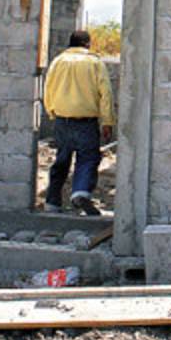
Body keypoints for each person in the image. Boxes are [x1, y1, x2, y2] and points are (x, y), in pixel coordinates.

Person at [42, 30, 115, 216]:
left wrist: (51, 111)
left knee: (61, 160)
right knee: (88, 158)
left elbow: (48, 88)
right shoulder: (95, 63)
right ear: (88, 44)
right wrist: (107, 122)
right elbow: (105, 93)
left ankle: (52, 202)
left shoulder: (58, 62)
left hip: (62, 119)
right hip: (86, 122)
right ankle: (81, 192)